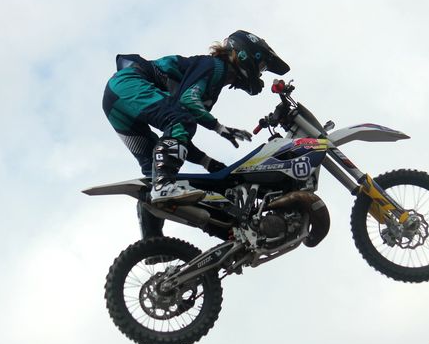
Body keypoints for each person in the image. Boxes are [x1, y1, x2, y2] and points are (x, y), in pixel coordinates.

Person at [101, 30, 290, 238]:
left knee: (152, 170)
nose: (260, 74)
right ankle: (164, 186)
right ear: (245, 54)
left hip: (115, 100)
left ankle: (152, 242)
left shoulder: (213, 78)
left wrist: (207, 162)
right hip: (129, 84)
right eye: (262, 67)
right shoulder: (214, 66)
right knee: (181, 122)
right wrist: (218, 127)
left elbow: (177, 133)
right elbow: (187, 103)